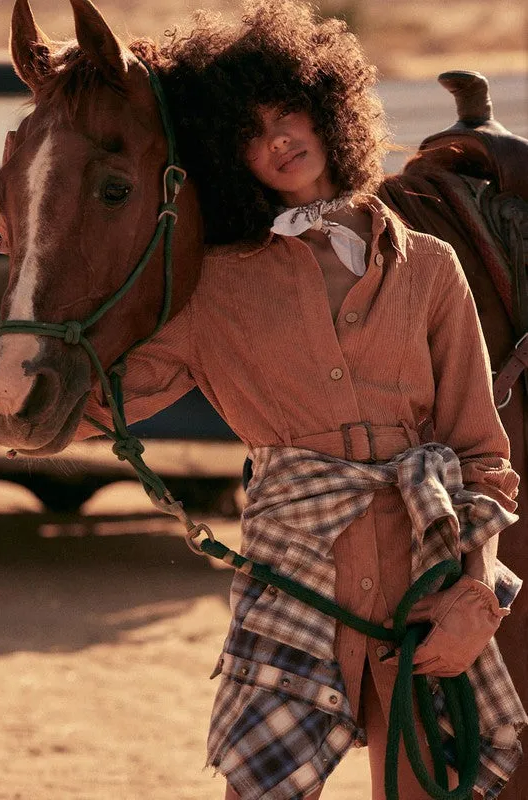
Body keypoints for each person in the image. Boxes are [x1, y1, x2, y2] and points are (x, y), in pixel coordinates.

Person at [78, 2, 526, 797]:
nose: (276, 139)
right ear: (226, 155)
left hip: (424, 580)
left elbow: (480, 457)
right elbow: (94, 405)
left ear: (328, 107)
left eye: (286, 111)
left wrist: (474, 601)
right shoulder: (214, 288)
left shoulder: (427, 267)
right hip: (293, 580)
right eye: (246, 132)